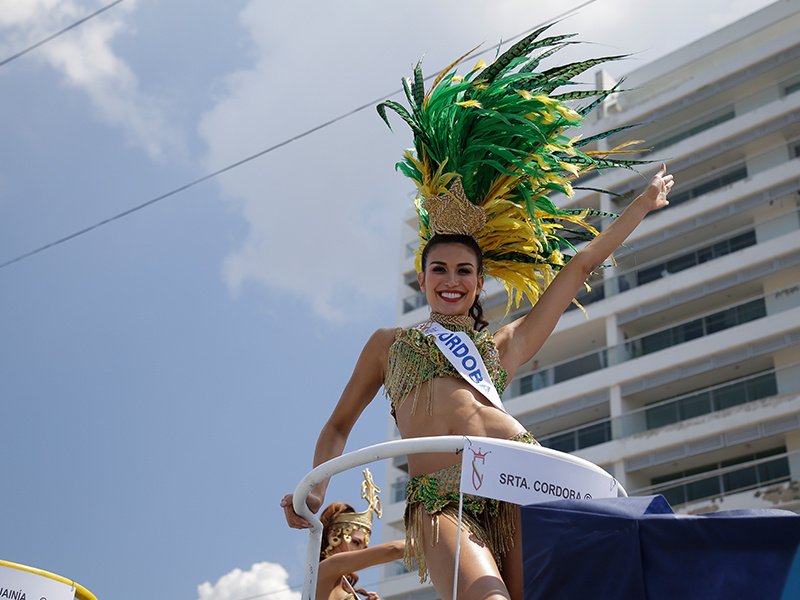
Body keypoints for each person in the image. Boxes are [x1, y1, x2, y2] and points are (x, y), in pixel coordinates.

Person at [283, 24, 674, 600]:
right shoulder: (389, 344)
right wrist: (313, 491)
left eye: (463, 272)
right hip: (442, 498)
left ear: (478, 282)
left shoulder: (501, 347)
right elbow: (339, 424)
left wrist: (639, 205)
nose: (451, 281)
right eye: (439, 270)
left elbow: (576, 270)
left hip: (521, 483)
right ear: (422, 278)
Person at [315, 470, 405, 600]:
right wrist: (433, 542)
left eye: (363, 548)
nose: (359, 552)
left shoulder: (341, 584)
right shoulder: (326, 568)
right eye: (356, 542)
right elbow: (395, 549)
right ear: (333, 536)